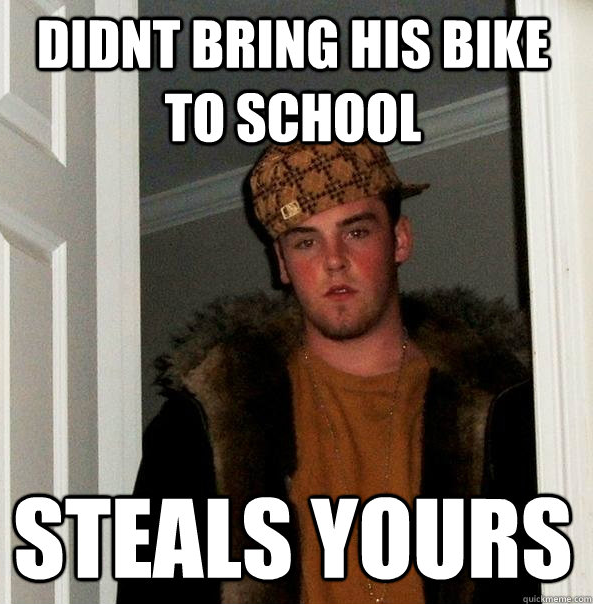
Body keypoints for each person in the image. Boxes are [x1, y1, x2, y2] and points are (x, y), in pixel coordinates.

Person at [117, 140, 535, 604]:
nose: (333, 260)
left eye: (356, 232)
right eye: (306, 241)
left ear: (399, 240)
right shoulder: (202, 423)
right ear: (282, 263)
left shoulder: (508, 410)